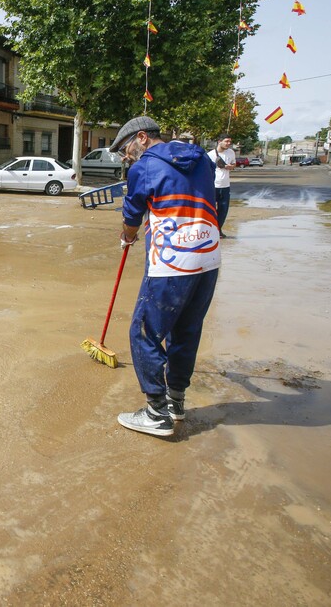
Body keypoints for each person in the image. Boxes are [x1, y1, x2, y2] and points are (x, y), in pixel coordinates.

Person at [110, 116, 221, 437]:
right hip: (208, 253)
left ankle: (156, 413)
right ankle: (176, 401)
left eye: (126, 148)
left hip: (173, 259)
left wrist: (128, 235)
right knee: (186, 329)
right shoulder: (200, 157)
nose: (125, 156)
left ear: (142, 137)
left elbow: (133, 213)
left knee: (144, 332)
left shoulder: (143, 167)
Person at [208, 134, 234, 238]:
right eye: (226, 141)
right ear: (220, 141)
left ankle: (218, 230)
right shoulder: (210, 155)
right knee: (210, 209)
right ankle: (209, 230)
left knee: (223, 209)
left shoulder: (231, 153)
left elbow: (234, 164)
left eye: (229, 142)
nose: (228, 143)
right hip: (213, 185)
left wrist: (230, 167)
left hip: (225, 185)